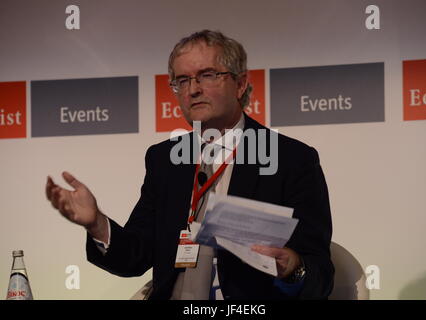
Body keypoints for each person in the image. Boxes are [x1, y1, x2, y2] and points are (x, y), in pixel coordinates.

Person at [46, 30, 334, 300]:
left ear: (241, 83)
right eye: (182, 81)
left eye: (206, 75)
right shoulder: (165, 160)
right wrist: (97, 224)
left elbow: (319, 273)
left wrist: (292, 267)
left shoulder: (291, 159)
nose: (193, 90)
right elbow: (135, 257)